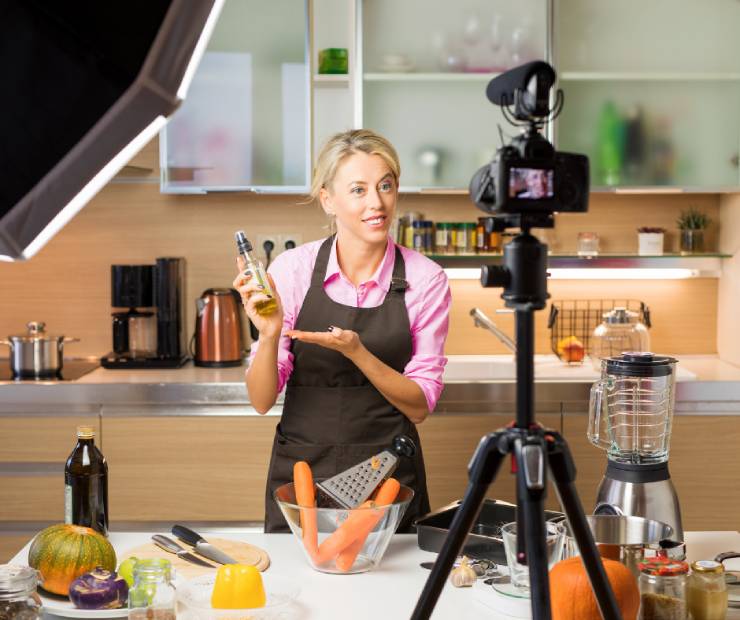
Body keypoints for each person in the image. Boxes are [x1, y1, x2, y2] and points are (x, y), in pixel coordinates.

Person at [232, 129, 451, 533]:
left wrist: (358, 352)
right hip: (302, 471)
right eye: (358, 189)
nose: (377, 202)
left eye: (386, 186)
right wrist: (269, 333)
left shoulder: (427, 279)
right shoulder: (292, 270)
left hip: (389, 474)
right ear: (328, 200)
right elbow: (261, 400)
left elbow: (419, 407)